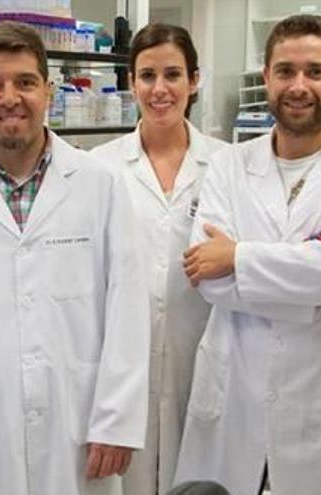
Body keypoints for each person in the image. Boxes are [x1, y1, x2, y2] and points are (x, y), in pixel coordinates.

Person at [0, 21, 150, 495]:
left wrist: (117, 420)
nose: (9, 98)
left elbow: (128, 307)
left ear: (48, 90)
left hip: (81, 425)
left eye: (24, 82)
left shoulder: (99, 184)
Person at [176, 15, 321, 495]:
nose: (298, 85)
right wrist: (318, 259)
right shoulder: (227, 166)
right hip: (236, 385)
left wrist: (238, 256)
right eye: (285, 71)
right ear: (267, 77)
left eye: (315, 72)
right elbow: (209, 277)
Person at [89, 23, 227, 495]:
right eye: (147, 76)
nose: (160, 89)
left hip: (204, 346)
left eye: (173, 75)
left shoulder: (228, 165)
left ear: (194, 80)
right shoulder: (98, 167)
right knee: (125, 479)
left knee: (202, 477)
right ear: (131, 83)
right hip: (121, 357)